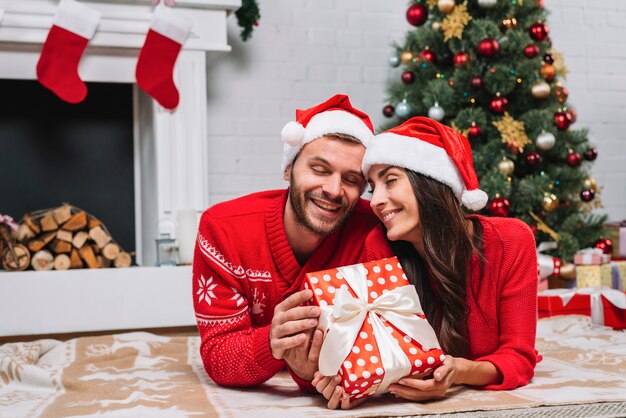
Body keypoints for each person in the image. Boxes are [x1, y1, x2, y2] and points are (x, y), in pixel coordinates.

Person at [313, 116, 538, 409]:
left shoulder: (511, 240)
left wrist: (459, 372)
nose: (377, 200)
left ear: (430, 182)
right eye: (372, 187)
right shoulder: (379, 245)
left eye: (390, 180)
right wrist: (345, 379)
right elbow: (384, 354)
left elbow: (519, 357)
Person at [192, 94, 389, 390]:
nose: (334, 190)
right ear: (288, 169)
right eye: (319, 170)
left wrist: (309, 374)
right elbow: (218, 356)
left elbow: (383, 350)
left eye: (350, 179)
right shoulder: (223, 230)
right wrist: (272, 342)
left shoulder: (373, 232)